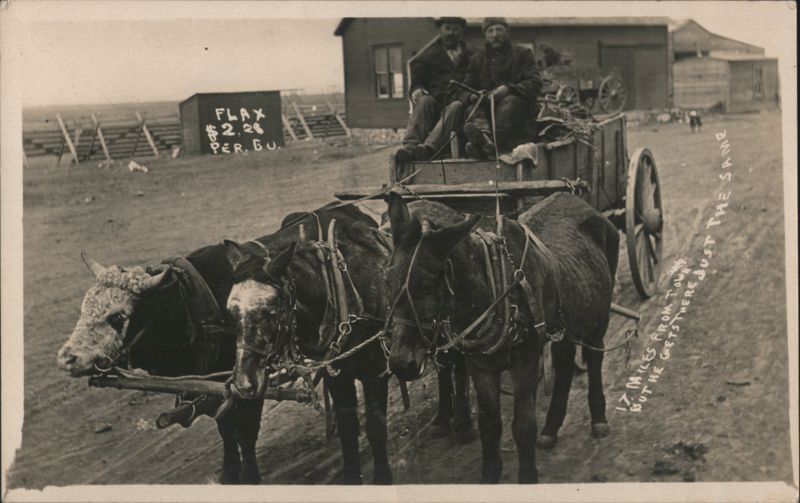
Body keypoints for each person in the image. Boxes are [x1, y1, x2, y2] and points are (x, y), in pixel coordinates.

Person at [459, 17, 543, 159]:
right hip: (488, 112)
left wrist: (509, 89)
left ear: (507, 32)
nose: (495, 35)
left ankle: (490, 146)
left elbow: (535, 83)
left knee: (509, 102)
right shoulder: (476, 59)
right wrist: (473, 95)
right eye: (490, 31)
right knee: (473, 107)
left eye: (499, 30)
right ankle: (484, 139)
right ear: (485, 35)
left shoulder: (522, 54)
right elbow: (464, 89)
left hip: (520, 114)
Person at [395, 17, 472, 163]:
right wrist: (417, 91)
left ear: (461, 31)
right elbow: (417, 83)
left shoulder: (472, 55)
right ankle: (409, 147)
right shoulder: (427, 56)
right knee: (425, 100)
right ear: (440, 30)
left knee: (456, 105)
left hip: (461, 110)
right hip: (435, 108)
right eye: (447, 28)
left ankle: (429, 148)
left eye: (455, 29)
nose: (451, 33)